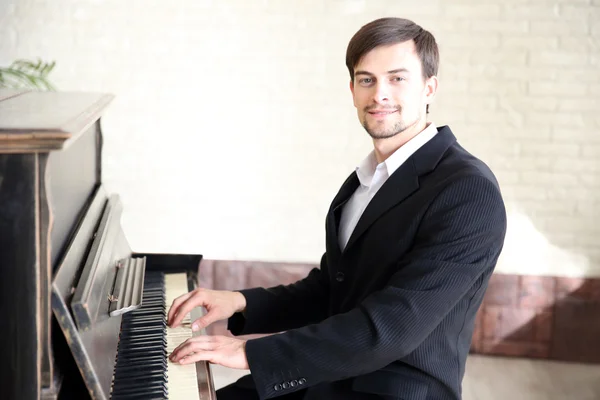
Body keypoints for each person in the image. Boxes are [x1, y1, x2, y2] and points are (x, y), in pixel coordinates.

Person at [167, 17, 507, 400]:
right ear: (352, 89)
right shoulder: (366, 180)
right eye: (367, 79)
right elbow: (336, 288)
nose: (379, 94)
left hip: (396, 389)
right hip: (334, 375)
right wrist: (241, 302)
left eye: (397, 78)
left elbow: (392, 327)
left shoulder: (467, 190)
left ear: (430, 87)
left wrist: (252, 352)